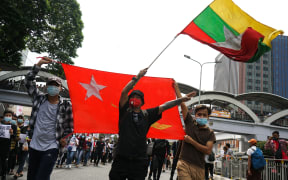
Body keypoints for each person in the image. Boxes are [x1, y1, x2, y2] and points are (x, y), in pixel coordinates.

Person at [109, 68, 195, 180]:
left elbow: (165, 106)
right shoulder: (125, 111)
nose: (135, 99)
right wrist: (138, 76)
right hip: (121, 160)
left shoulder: (147, 115)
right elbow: (124, 91)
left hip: (139, 163)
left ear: (142, 102)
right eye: (133, 97)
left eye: (138, 97)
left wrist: (181, 100)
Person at [25, 57, 73, 180]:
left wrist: (65, 140)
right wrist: (39, 64)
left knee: (41, 177)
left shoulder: (67, 106)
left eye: (56, 85)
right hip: (34, 145)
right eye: (50, 85)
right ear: (46, 87)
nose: (53, 87)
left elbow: (70, 127)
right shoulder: (39, 99)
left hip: (52, 147)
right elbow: (28, 81)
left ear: (61, 88)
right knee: (31, 177)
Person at [175, 83, 216, 180]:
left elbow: (208, 150)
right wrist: (176, 87)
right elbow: (183, 105)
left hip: (199, 168)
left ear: (208, 117)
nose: (201, 117)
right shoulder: (189, 123)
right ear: (195, 115)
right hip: (184, 164)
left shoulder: (210, 133)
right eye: (199, 114)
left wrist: (191, 141)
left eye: (204, 115)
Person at [0, 110, 17, 180]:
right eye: (6, 115)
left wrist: (12, 133)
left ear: (12, 117)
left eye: (9, 116)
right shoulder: (0, 124)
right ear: (3, 116)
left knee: (4, 161)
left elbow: (14, 137)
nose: (8, 117)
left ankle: (3, 174)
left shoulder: (13, 126)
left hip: (6, 146)